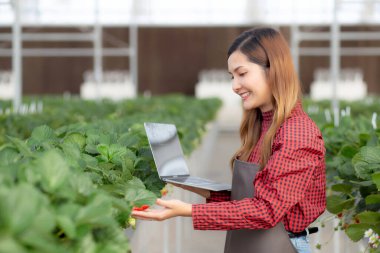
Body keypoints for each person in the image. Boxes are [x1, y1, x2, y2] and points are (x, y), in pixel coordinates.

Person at [132, 27, 326, 253]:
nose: (234, 86)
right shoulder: (263, 125)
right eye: (232, 76)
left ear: (274, 69)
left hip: (279, 245)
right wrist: (197, 188)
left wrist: (188, 210)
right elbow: (254, 198)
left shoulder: (297, 132)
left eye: (242, 73)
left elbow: (267, 211)